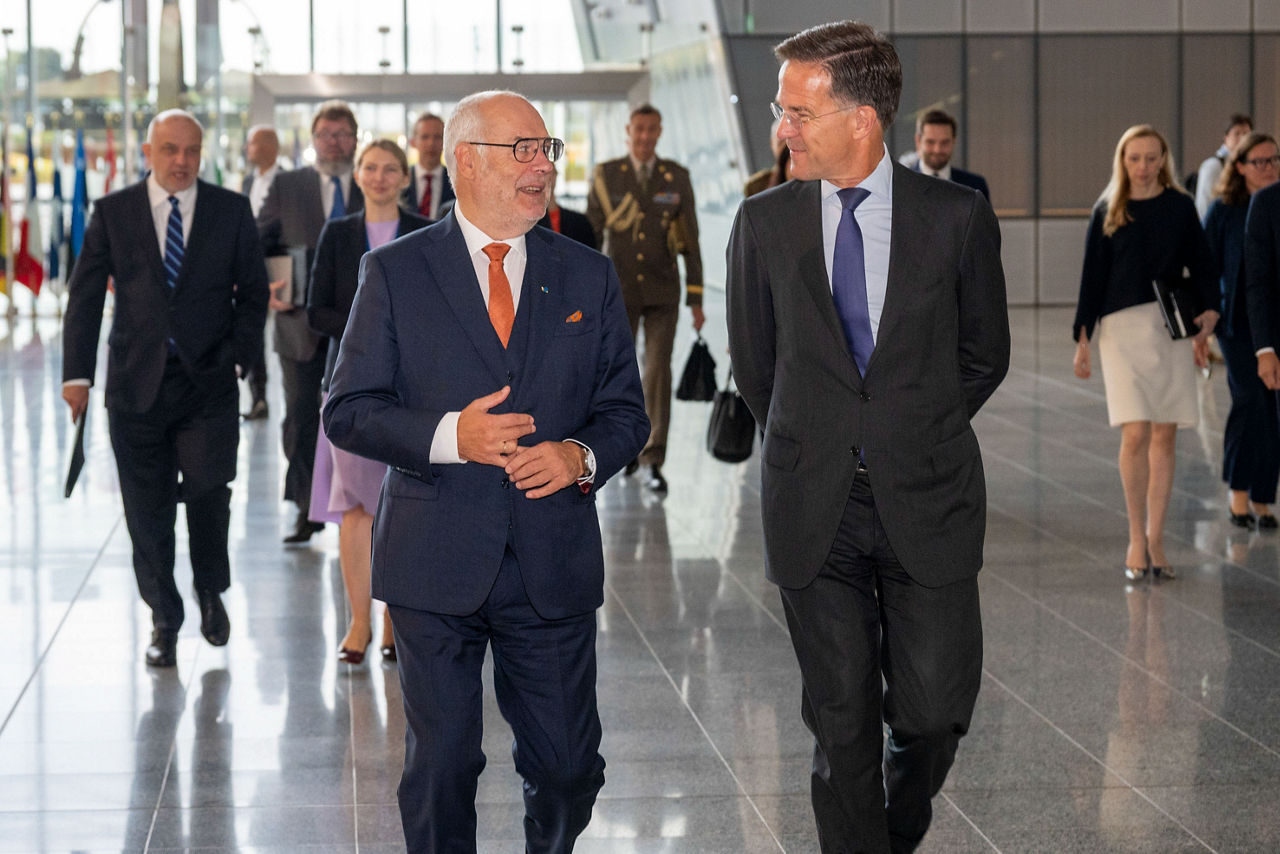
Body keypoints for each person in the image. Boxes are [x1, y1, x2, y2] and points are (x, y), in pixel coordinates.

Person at [323, 90, 648, 853]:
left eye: (547, 149)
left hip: (552, 561)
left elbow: (626, 414)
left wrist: (580, 456)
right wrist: (449, 435)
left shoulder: (587, 275)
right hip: (434, 558)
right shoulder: (396, 271)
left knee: (568, 769)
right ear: (467, 162)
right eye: (522, 150)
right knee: (441, 766)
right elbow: (348, 409)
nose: (542, 166)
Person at [726, 21, 1009, 854]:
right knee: (840, 720)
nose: (783, 129)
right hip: (813, 505)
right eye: (783, 112)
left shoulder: (957, 218)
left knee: (931, 714)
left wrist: (904, 427)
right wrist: (826, 436)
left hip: (928, 495)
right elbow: (757, 369)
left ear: (861, 119)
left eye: (797, 113)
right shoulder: (764, 223)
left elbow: (982, 356)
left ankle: (890, 829)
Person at [61, 109, 269, 667]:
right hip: (135, 386)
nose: (182, 161)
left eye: (192, 151)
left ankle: (209, 588)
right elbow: (84, 297)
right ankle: (163, 617)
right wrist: (76, 375)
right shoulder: (114, 211)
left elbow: (252, 294)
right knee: (146, 509)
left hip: (208, 385)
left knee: (208, 493)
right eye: (170, 150)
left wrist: (240, 362)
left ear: (203, 154)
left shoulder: (230, 210)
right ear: (149, 152)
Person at [1072, 125, 1218, 581]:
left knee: (1165, 435)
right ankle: (1136, 536)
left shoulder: (1179, 206)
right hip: (1121, 330)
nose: (1143, 166)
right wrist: (1082, 337)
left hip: (1169, 327)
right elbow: (1092, 275)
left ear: (1164, 159)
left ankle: (1157, 537)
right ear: (1123, 160)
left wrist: (1210, 313)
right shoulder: (1108, 208)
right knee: (1134, 432)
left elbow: (1204, 261)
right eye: (1135, 158)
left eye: (1151, 158)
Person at [306, 140, 431, 664]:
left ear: (406, 178)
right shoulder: (337, 234)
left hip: (412, 389)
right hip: (351, 385)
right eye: (370, 168)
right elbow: (318, 311)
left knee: (402, 507)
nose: (380, 177)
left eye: (390, 169)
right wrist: (374, 331)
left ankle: (391, 618)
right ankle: (359, 620)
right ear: (356, 175)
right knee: (357, 507)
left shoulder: (425, 231)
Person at [258, 100, 364, 544]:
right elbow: (258, 239)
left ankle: (361, 504)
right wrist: (267, 286)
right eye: (326, 134)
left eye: (342, 134)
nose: (333, 142)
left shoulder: (373, 181)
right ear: (313, 140)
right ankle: (306, 506)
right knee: (301, 418)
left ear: (355, 140)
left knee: (360, 416)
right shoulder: (287, 184)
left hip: (359, 325)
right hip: (298, 322)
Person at [586, 103, 704, 493]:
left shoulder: (676, 176)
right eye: (639, 129)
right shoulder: (607, 175)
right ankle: (626, 448)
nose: (645, 136)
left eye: (652, 130)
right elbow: (589, 236)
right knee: (622, 371)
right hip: (618, 292)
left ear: (660, 132)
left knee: (657, 370)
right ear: (628, 131)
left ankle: (654, 455)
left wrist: (696, 298)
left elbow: (691, 240)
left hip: (662, 290)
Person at [1205, 133, 1280, 529]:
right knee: (1248, 401)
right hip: (1237, 325)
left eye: (1272, 160)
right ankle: (1238, 492)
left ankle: (1264, 498)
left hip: (1271, 320)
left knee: (1271, 412)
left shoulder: (1275, 204)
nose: (1267, 168)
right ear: (1239, 167)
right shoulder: (1224, 211)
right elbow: (1206, 265)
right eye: (1258, 162)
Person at [239, 124, 281, 421]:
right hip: (249, 268)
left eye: (253, 143)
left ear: (269, 146)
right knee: (253, 330)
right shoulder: (248, 181)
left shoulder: (286, 181)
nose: (248, 148)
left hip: (277, 269)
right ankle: (259, 398)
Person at [912, 108, 990, 202]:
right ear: (918, 141)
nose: (937, 150)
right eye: (930, 142)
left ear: (954, 142)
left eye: (944, 142)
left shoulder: (975, 186)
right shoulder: (901, 185)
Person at [1195, 113, 1253, 219]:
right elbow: (1203, 206)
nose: (1242, 138)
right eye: (1237, 134)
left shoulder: (1251, 165)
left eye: (1246, 134)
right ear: (1226, 138)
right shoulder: (1212, 165)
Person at [400, 111, 455, 220]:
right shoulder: (399, 181)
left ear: (446, 142)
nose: (431, 143)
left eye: (437, 137)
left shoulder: (457, 182)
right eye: (425, 137)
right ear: (413, 142)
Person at [536, 163, 595, 246]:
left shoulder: (579, 222)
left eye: (549, 172)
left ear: (556, 175)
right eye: (541, 173)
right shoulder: (526, 224)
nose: (545, 178)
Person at [744, 118, 789, 196]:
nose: (788, 147)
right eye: (782, 143)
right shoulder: (758, 187)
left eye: (791, 140)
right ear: (772, 144)